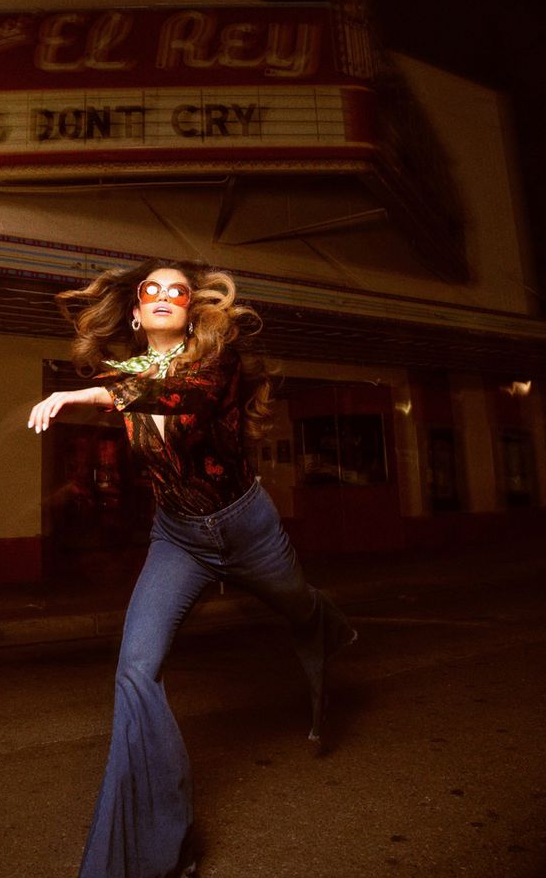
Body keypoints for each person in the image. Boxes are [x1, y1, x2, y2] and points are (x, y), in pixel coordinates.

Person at [28, 259, 357, 878]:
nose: (162, 296)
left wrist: (79, 393)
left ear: (188, 309)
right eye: (150, 289)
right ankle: (152, 850)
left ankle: (323, 619)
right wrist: (96, 388)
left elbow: (185, 396)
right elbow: (132, 384)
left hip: (247, 528)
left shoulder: (217, 366)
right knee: (134, 672)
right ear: (134, 311)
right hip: (178, 538)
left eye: (176, 290)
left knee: (296, 605)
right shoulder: (123, 372)